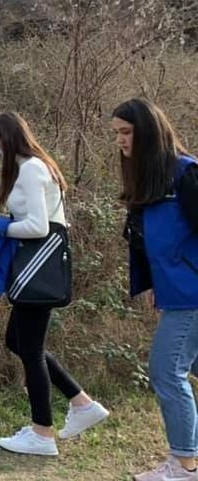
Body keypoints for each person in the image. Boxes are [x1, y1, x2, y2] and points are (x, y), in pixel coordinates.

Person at [0, 112, 109, 456]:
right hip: (36, 268)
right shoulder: (33, 167)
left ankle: (42, 433)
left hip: (37, 267)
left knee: (31, 350)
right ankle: (82, 403)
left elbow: (39, 226)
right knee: (18, 341)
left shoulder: (32, 170)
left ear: (7, 140)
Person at [112, 99, 198, 481]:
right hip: (176, 291)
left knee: (166, 371)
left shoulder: (185, 173)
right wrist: (154, 286)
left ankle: (183, 466)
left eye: (126, 132)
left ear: (147, 131)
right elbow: (151, 240)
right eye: (116, 133)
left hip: (193, 293)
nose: (120, 141)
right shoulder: (149, 178)